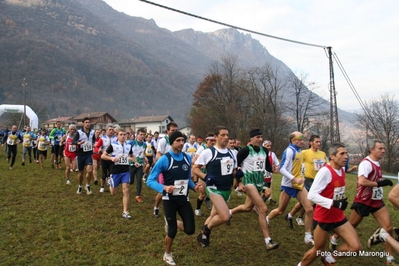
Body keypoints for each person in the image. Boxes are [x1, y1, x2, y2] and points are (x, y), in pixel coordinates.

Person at [328, 140, 396, 265]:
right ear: (372, 150)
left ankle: (389, 257)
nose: (383, 151)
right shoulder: (366, 163)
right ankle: (334, 237)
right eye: (380, 148)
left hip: (376, 201)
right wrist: (380, 183)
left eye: (383, 148)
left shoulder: (377, 163)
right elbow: (362, 181)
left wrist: (379, 185)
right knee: (352, 225)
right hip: (363, 201)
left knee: (388, 228)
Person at [297, 143, 362, 266]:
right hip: (324, 217)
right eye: (342, 154)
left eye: (346, 153)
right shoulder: (325, 172)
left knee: (356, 247)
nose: (346, 156)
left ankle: (329, 259)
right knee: (317, 250)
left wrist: (339, 201)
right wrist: (333, 202)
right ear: (332, 156)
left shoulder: (342, 169)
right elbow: (312, 195)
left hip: (338, 216)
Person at [147, 131, 203, 266]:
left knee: (190, 230)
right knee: (172, 231)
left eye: (182, 140)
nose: (181, 143)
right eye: (178, 140)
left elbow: (187, 179)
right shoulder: (165, 159)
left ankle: (171, 220)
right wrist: (164, 188)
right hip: (169, 199)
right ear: (172, 142)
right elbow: (150, 180)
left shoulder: (186, 158)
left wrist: (194, 187)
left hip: (184, 199)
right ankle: (167, 254)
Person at [230, 129, 279, 250]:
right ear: (251, 139)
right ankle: (268, 241)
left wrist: (273, 169)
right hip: (248, 182)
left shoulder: (265, 150)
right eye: (257, 137)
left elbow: (266, 166)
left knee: (247, 208)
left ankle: (229, 213)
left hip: (259, 182)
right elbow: (234, 166)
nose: (260, 139)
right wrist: (239, 182)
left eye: (261, 137)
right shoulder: (245, 150)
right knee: (263, 208)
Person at [266, 131, 315, 245]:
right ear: (293, 140)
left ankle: (308, 236)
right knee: (280, 210)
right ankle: (266, 219)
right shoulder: (289, 151)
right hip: (289, 185)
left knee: (309, 209)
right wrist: (294, 178)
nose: (302, 141)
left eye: (303, 139)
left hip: (299, 185)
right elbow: (282, 169)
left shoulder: (299, 151)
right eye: (300, 139)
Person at [193, 126, 237, 248]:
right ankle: (207, 229)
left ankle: (202, 236)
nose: (226, 137)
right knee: (225, 216)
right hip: (213, 188)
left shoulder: (232, 153)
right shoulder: (208, 152)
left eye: (227, 135)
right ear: (216, 137)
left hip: (226, 189)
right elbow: (195, 168)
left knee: (213, 216)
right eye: (222, 135)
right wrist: (205, 176)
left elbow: (232, 171)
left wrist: (237, 174)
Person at [290, 135, 328, 226]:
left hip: (319, 181)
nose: (319, 143)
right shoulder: (304, 152)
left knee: (304, 202)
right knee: (311, 200)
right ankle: (302, 217)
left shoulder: (322, 154)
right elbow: (296, 162)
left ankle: (290, 215)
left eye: (319, 142)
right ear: (311, 143)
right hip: (308, 180)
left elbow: (327, 165)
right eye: (317, 142)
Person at [101, 129, 134, 219]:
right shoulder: (113, 146)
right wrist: (112, 159)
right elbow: (103, 156)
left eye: (124, 134)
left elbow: (132, 155)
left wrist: (135, 161)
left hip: (125, 171)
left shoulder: (128, 146)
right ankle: (109, 181)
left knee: (126, 190)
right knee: (113, 193)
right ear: (117, 136)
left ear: (126, 136)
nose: (123, 136)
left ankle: (125, 212)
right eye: (121, 134)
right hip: (115, 171)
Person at [152, 122, 178, 217]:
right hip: (165, 170)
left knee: (175, 189)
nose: (174, 132)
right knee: (163, 190)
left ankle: (173, 210)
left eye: (176, 130)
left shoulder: (178, 141)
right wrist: (164, 163)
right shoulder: (163, 141)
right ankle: (156, 207)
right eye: (172, 130)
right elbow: (158, 154)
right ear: (167, 131)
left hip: (175, 169)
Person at [192, 133, 215, 216]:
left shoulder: (215, 149)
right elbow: (194, 160)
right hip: (203, 175)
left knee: (215, 192)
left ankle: (210, 204)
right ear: (207, 140)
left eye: (214, 141)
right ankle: (197, 208)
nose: (212, 142)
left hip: (212, 175)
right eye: (211, 140)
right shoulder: (202, 148)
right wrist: (203, 165)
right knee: (203, 194)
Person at [72, 117, 96, 195]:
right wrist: (78, 143)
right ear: (83, 123)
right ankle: (80, 186)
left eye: (89, 122)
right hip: (81, 154)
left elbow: (93, 140)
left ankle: (88, 185)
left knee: (89, 170)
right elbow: (73, 141)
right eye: (86, 122)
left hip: (88, 153)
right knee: (80, 173)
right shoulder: (79, 132)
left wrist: (93, 144)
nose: (88, 124)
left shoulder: (92, 132)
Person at [95, 125, 116, 193]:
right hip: (104, 158)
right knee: (104, 173)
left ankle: (110, 185)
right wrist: (99, 150)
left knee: (111, 173)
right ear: (106, 130)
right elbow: (97, 147)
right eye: (109, 129)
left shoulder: (115, 139)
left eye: (112, 130)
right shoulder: (102, 139)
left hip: (112, 158)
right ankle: (102, 186)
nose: (111, 131)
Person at [129, 128, 148, 203]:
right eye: (141, 134)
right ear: (137, 135)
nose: (142, 136)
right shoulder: (131, 143)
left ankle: (138, 196)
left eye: (143, 135)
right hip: (132, 164)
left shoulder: (144, 144)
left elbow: (142, 153)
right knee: (131, 181)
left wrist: (145, 158)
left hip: (140, 165)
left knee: (139, 180)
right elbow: (127, 152)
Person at [261, 140, 279, 205]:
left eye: (269, 146)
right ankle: (258, 205)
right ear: (263, 145)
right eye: (267, 145)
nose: (268, 147)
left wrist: (276, 168)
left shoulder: (272, 154)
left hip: (269, 176)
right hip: (260, 175)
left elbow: (277, 163)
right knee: (263, 191)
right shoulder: (260, 153)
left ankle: (258, 205)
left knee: (265, 191)